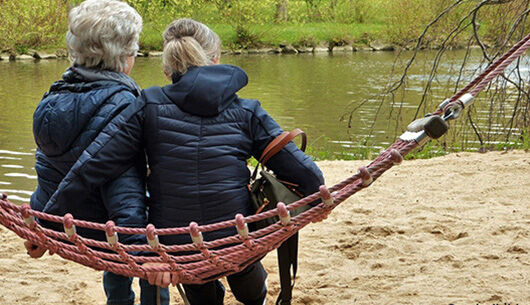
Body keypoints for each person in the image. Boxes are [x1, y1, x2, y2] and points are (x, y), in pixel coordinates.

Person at [45, 18, 325, 305]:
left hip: (176, 246)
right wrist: (318, 198)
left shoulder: (147, 103)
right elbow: (306, 175)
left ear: (168, 69)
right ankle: (254, 295)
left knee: (193, 268)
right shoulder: (247, 111)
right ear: (215, 59)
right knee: (242, 256)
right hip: (236, 238)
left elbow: (95, 164)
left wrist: (47, 223)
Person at [26, 1, 169, 304]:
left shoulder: (51, 98)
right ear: (124, 57)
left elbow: (48, 167)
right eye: (134, 50)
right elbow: (124, 189)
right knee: (152, 229)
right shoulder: (127, 106)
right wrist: (142, 252)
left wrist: (42, 221)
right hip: (108, 229)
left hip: (65, 220)